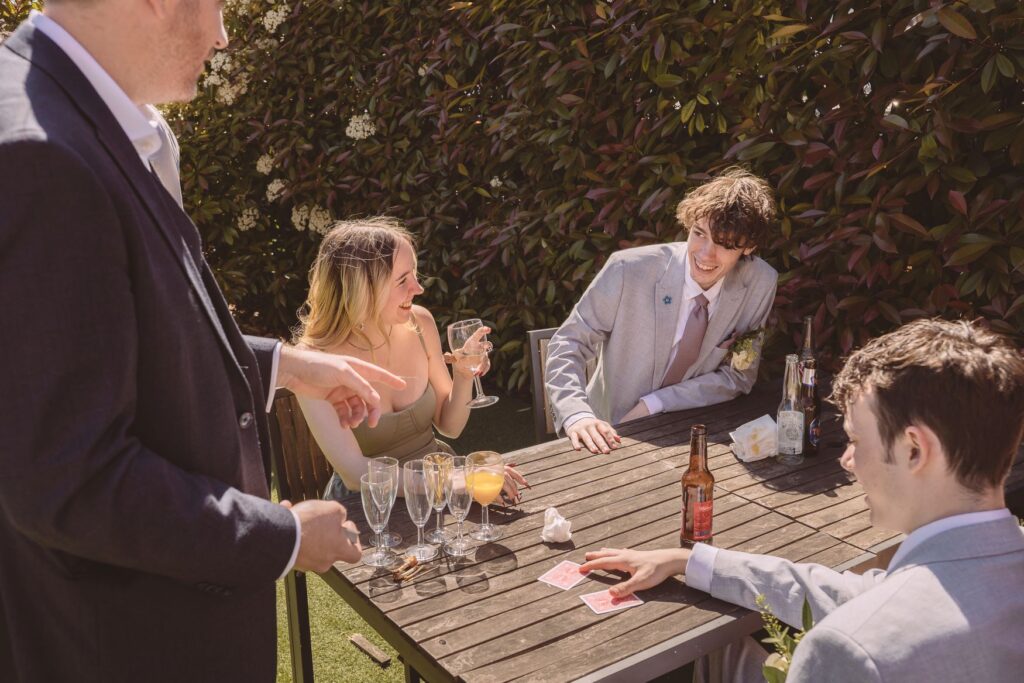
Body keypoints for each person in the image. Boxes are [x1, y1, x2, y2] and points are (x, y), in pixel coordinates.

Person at [0, 2, 405, 681]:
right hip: (127, 648)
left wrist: (291, 365)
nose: (222, 35)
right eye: (216, 4)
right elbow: (69, 478)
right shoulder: (42, 158)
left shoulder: (76, 116)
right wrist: (280, 534)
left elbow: (128, 339)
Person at [580, 319, 1024, 682]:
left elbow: (875, 615)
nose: (848, 461)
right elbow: (861, 594)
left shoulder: (853, 652)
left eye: (854, 440)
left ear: (914, 449)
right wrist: (686, 560)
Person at [545, 168, 779, 454]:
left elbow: (738, 376)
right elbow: (569, 342)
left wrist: (657, 402)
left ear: (748, 247)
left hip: (696, 433)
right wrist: (577, 414)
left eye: (723, 243)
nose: (705, 254)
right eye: (699, 233)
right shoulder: (627, 270)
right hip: (608, 434)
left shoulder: (760, 282)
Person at [294, 218, 528, 501]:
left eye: (415, 274)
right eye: (402, 280)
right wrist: (455, 480)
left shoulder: (420, 322)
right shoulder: (313, 361)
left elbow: (450, 426)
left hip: (442, 484)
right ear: (361, 288)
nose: (418, 288)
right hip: (370, 506)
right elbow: (354, 474)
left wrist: (464, 376)